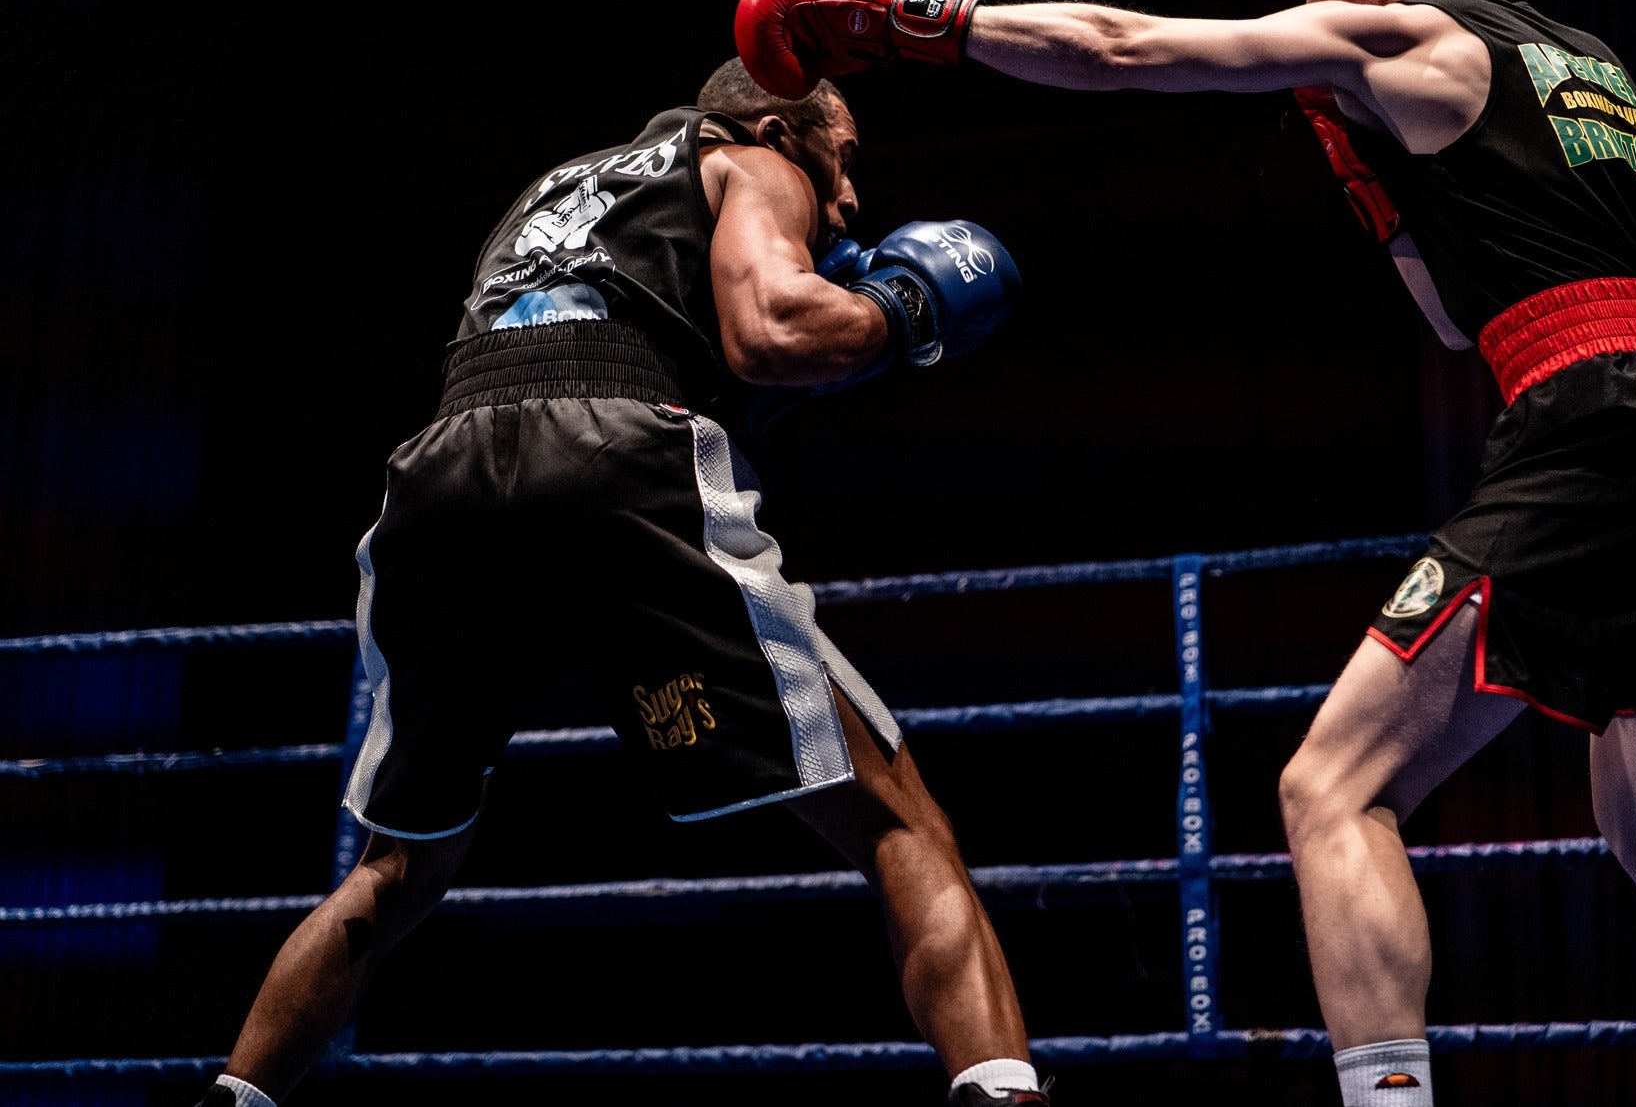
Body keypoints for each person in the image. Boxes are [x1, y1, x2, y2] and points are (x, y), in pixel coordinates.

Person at [732, 0, 1636, 1107]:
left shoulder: (1404, 29)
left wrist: (919, 19)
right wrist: (1377, 186)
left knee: (1330, 788)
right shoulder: (1584, 63)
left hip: (1587, 418)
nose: (1301, 8)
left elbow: (1124, 49)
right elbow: (1455, 320)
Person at [191, 60, 1045, 1107]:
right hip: (611, 450)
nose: (853, 193)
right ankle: (1006, 1097)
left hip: (439, 476)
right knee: (900, 822)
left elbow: (607, 343)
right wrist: (900, 308)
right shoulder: (747, 157)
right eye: (845, 155)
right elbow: (772, 331)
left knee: (396, 864)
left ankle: (232, 1097)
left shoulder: (560, 186)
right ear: (781, 123)